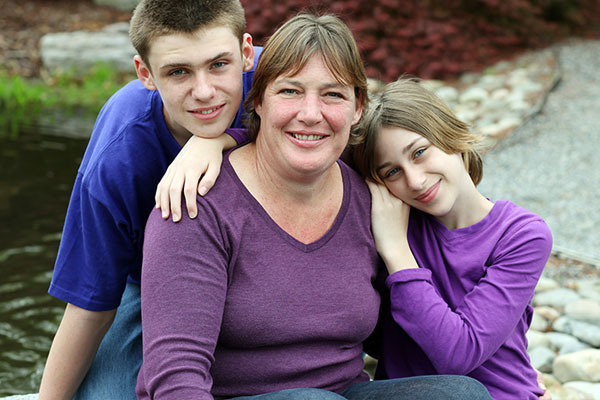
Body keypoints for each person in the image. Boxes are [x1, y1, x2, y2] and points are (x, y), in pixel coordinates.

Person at [137, 13, 492, 400]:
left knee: (461, 394)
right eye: (290, 91)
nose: (311, 113)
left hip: (345, 393)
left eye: (333, 94)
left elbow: (409, 343)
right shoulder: (195, 203)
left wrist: (514, 377)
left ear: (357, 109)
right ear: (258, 102)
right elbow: (175, 378)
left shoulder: (370, 197)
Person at [38, 0, 260, 398]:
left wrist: (224, 141)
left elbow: (338, 130)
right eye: (178, 72)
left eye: (218, 65)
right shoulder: (118, 154)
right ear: (146, 74)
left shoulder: (279, 83)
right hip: (152, 285)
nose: (204, 91)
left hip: (268, 268)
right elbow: (92, 303)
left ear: (246, 52)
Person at [351, 77, 553, 399]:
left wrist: (397, 252)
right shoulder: (388, 221)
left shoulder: (521, 235)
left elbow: (459, 354)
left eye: (419, 152)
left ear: (450, 135)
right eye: (392, 172)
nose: (415, 181)